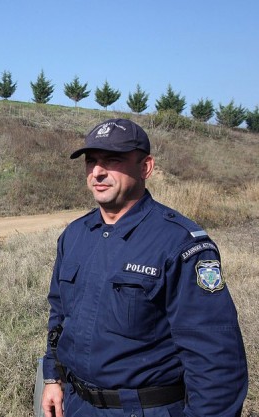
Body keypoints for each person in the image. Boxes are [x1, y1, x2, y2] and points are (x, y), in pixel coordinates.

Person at [41, 118, 248, 417]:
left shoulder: (180, 244)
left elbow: (216, 360)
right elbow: (59, 317)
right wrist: (53, 377)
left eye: (113, 160)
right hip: (77, 405)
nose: (98, 171)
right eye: (92, 161)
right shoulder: (74, 235)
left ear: (145, 167)